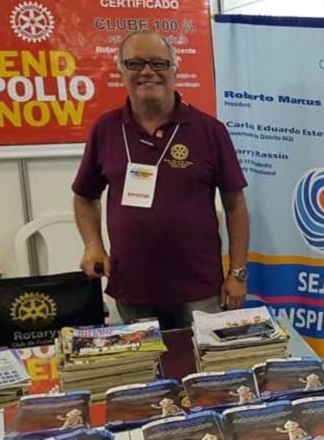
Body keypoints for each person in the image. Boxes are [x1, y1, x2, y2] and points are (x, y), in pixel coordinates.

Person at [73, 30, 249, 329]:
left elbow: (235, 205)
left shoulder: (209, 130)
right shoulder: (106, 129)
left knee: (204, 360)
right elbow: (85, 197)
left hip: (200, 289)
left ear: (175, 70)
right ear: (121, 70)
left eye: (158, 63)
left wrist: (237, 273)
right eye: (135, 63)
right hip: (133, 288)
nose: (147, 72)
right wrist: (93, 245)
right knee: (147, 360)